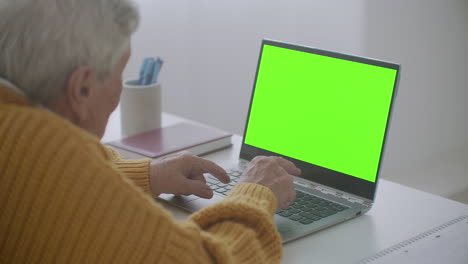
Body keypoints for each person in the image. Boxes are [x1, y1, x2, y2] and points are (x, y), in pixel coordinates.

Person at [0, 0, 301, 263]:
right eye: (121, 74)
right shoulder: (54, 155)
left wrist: (148, 175)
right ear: (81, 87)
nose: (120, 87)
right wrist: (256, 194)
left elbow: (54, 179)